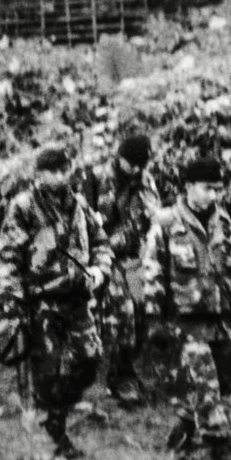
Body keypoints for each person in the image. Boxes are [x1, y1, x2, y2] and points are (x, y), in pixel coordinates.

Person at [0, 145, 105, 459]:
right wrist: (11, 300)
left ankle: (55, 415)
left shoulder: (79, 204)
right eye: (50, 171)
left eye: (62, 170)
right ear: (39, 174)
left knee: (89, 360)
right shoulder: (24, 206)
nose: (57, 176)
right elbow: (7, 256)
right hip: (40, 303)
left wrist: (100, 270)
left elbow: (100, 243)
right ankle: (52, 434)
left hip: (78, 298)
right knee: (47, 369)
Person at [143, 154, 231, 460]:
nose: (214, 195)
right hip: (183, 321)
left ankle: (180, 434)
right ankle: (222, 453)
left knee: (226, 382)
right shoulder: (165, 222)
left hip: (218, 318)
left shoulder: (222, 220)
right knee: (205, 385)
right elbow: (152, 272)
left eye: (218, 189)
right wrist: (155, 321)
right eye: (207, 188)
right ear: (188, 187)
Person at [82, 131, 162, 406]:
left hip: (136, 257)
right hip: (106, 257)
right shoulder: (96, 178)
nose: (137, 170)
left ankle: (124, 370)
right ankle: (120, 378)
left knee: (142, 313)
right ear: (121, 158)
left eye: (142, 165)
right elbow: (87, 226)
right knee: (123, 313)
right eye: (132, 164)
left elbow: (154, 215)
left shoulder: (145, 180)